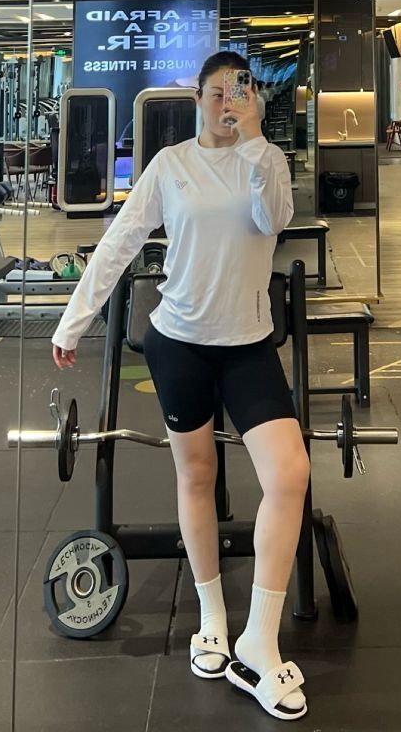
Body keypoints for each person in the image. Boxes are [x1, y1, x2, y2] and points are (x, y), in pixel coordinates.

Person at [51, 51, 310, 721]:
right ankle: (213, 619)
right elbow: (120, 241)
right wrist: (74, 320)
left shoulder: (268, 161)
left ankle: (258, 641)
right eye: (217, 93)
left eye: (239, 91)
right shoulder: (170, 166)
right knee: (196, 477)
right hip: (179, 344)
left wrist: (253, 141)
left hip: (248, 346)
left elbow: (272, 221)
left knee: (289, 474)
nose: (227, 103)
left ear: (253, 99)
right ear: (197, 99)